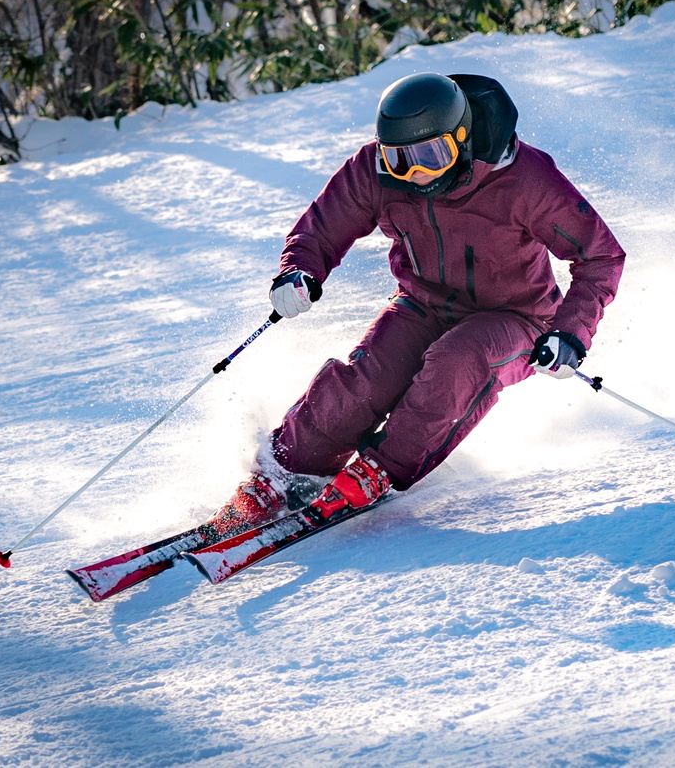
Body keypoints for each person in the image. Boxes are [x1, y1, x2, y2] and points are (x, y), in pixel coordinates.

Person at [207, 72, 625, 536]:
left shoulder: (525, 179)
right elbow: (321, 229)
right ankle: (285, 471)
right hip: (423, 304)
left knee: (457, 361)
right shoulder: (375, 171)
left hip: (519, 318)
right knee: (365, 380)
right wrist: (299, 269)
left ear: (461, 139)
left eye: (431, 155)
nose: (415, 172)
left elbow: (600, 256)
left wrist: (569, 332)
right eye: (398, 159)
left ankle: (380, 470)